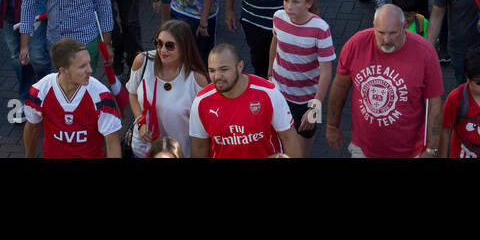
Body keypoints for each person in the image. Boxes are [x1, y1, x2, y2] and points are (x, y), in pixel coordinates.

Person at [327, 3, 445, 158]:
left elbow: (434, 105)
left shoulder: (426, 54)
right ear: (373, 26)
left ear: (404, 27)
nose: (386, 39)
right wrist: (331, 125)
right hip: (363, 149)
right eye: (381, 32)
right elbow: (340, 86)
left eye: (393, 33)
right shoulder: (355, 45)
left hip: (411, 151)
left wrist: (431, 149)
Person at [190, 42, 302, 158]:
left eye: (224, 69)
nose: (217, 76)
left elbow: (288, 137)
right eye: (212, 71)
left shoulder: (268, 93)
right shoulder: (201, 102)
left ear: (240, 66)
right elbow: (199, 146)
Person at [22, 37, 123, 158]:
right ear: (63, 70)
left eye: (88, 63)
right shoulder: (40, 91)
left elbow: (112, 142)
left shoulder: (102, 96)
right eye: (82, 66)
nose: (90, 70)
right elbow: (32, 127)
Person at [268, 0, 335, 153]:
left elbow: (327, 71)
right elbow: (275, 43)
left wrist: (316, 107)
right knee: (279, 147)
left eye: (296, 2)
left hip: (308, 100)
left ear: (309, 3)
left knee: (301, 152)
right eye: (286, 0)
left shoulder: (321, 29)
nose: (289, 7)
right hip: (279, 94)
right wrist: (269, 76)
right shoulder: (278, 17)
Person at [126, 19, 208, 157]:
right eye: (159, 43)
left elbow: (203, 126)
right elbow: (132, 94)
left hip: (179, 152)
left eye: (170, 46)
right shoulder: (142, 62)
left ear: (184, 47)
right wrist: (141, 122)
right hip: (144, 148)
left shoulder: (197, 80)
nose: (162, 50)